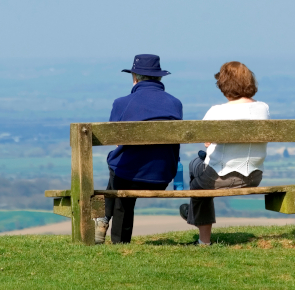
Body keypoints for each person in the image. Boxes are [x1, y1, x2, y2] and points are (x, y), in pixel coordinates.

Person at [95, 54, 183, 244]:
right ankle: (102, 220)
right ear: (159, 78)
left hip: (128, 178)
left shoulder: (121, 103)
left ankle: (107, 228)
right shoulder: (175, 103)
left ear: (134, 78)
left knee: (116, 166)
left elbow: (115, 141)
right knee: (119, 171)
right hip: (162, 175)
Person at [179, 61, 269, 245]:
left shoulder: (217, 111)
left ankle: (203, 238)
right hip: (254, 175)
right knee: (198, 170)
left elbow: (204, 139)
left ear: (224, 85)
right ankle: (194, 214)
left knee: (196, 178)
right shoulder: (263, 108)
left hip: (224, 177)